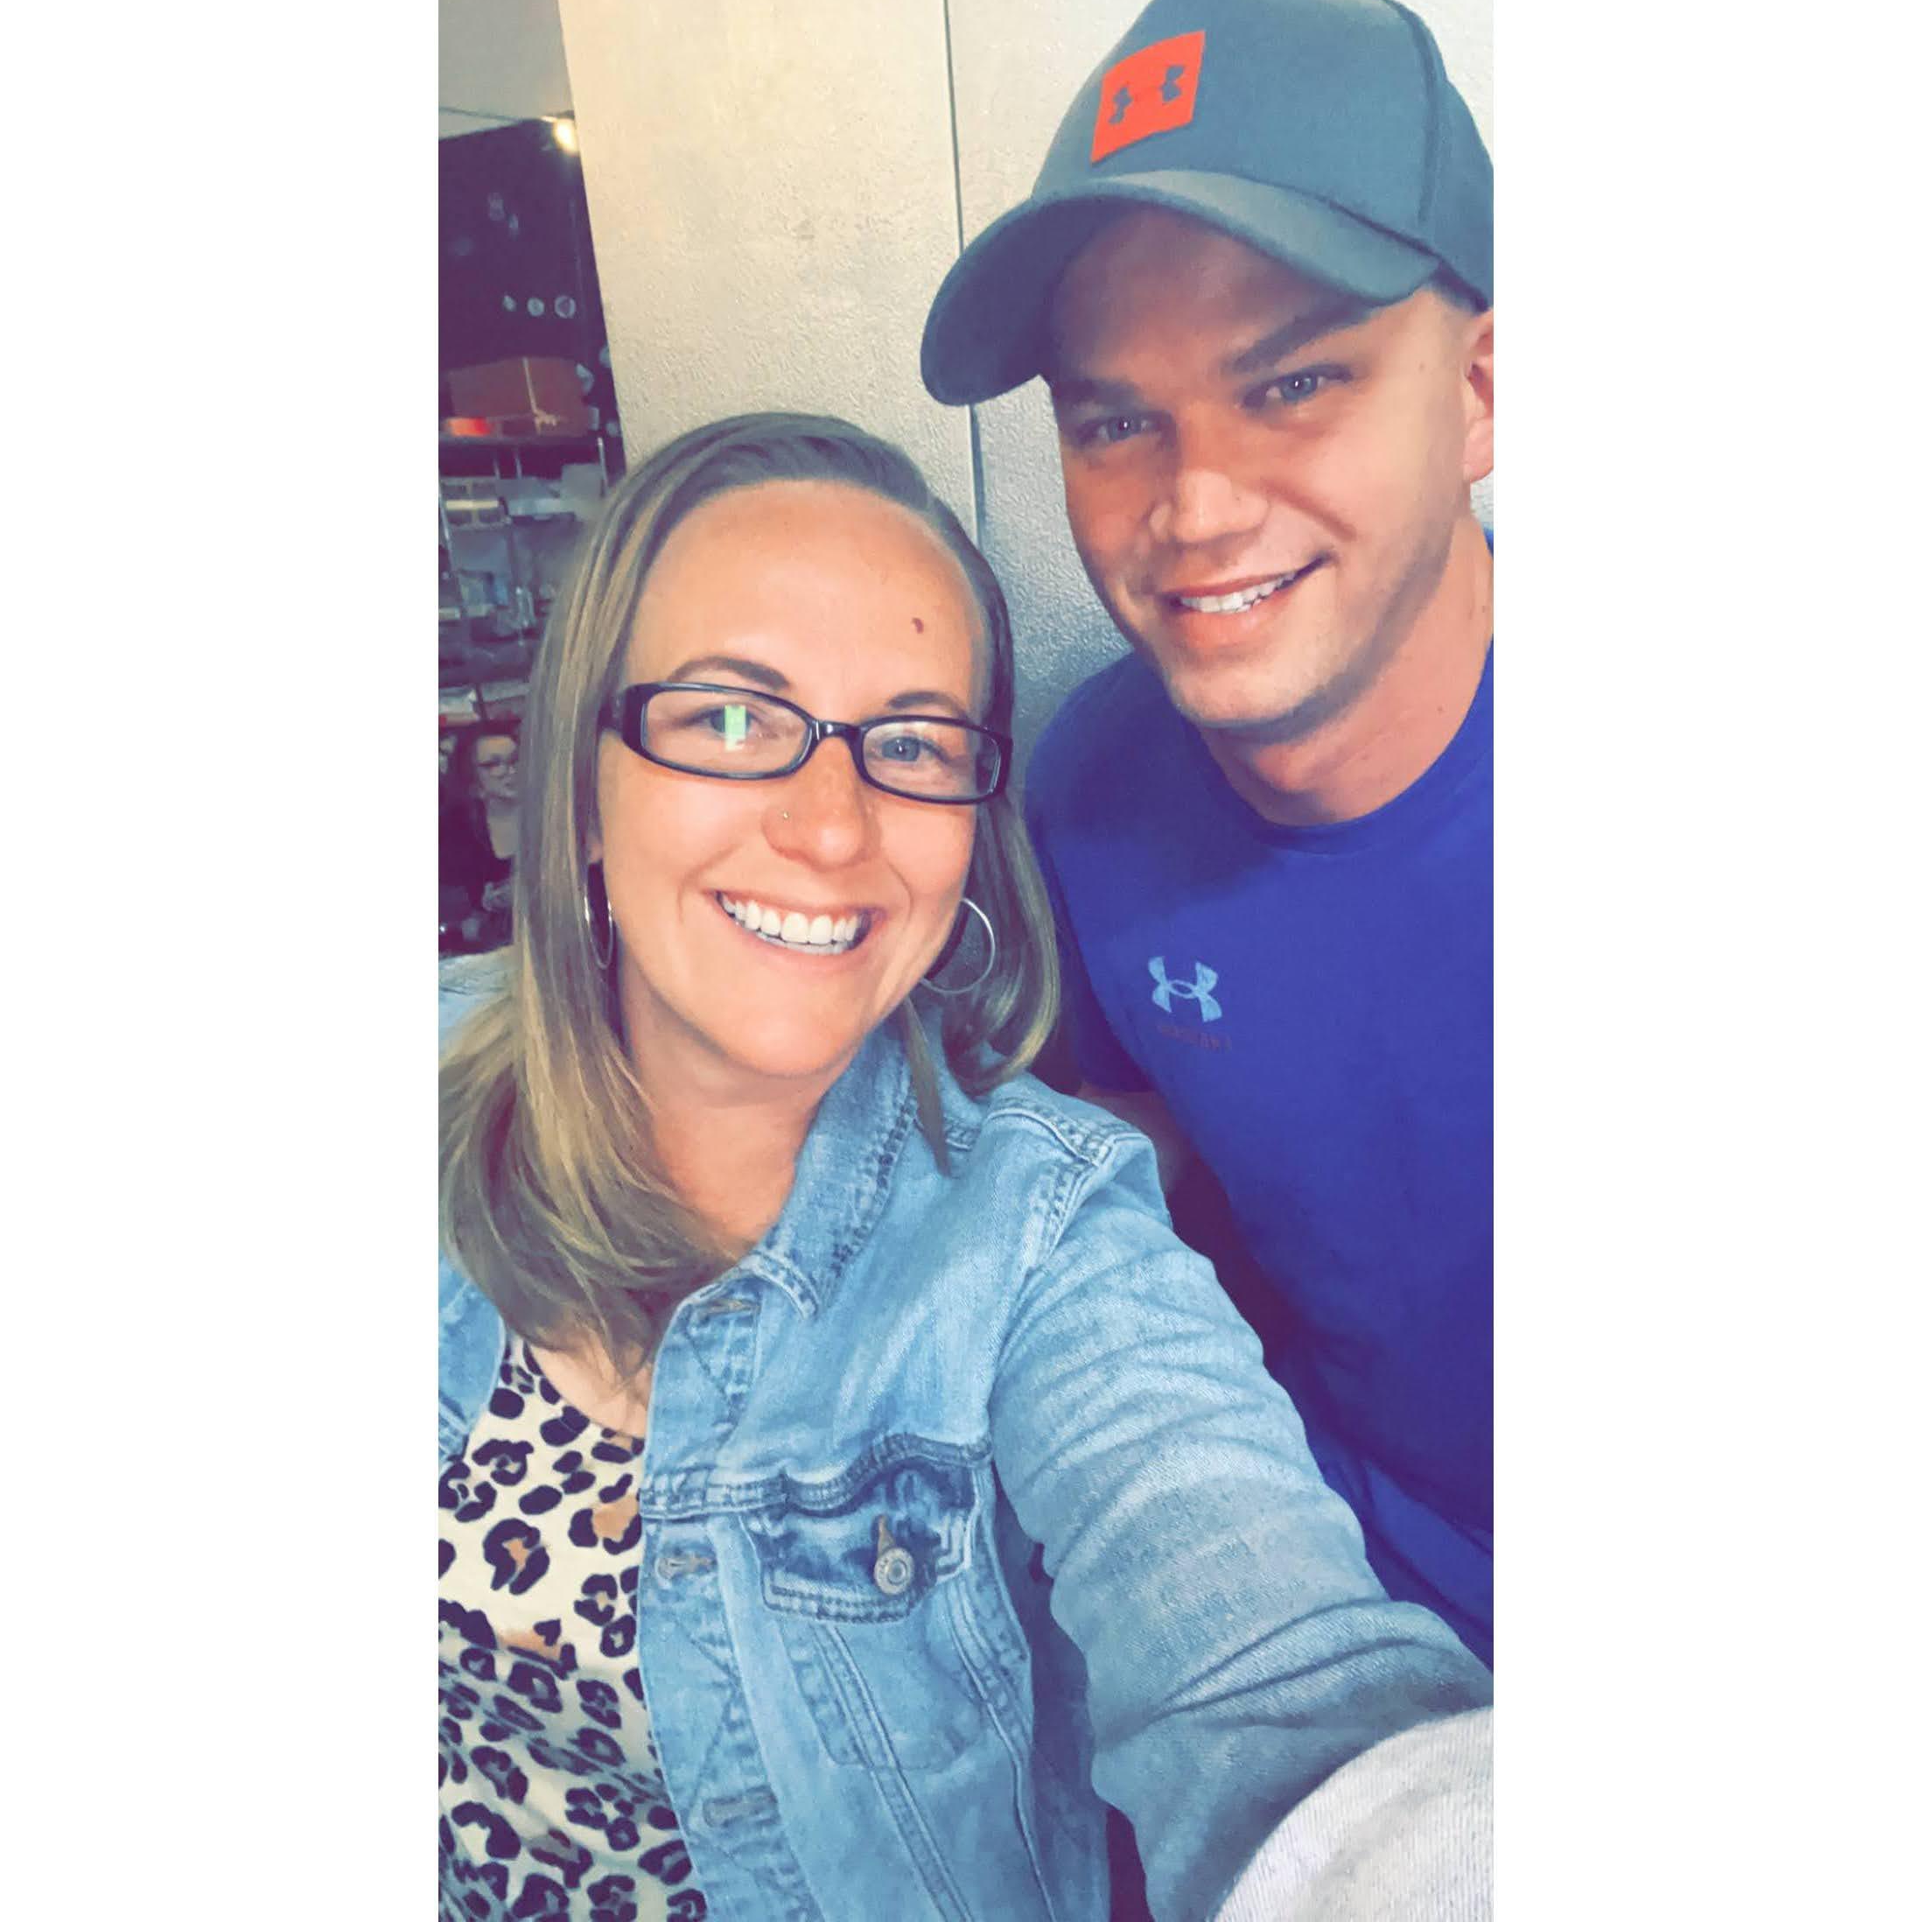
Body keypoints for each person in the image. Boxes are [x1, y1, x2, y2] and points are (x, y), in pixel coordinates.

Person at [438, 411, 1490, 1922]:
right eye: (729, 717)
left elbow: (1274, 1685)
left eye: (914, 743)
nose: (830, 827)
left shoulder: (1045, 1237)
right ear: (581, 784)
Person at [920, 0, 1495, 1664]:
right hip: (1326, 1603)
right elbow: (1124, 1169)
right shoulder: (1088, 783)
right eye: (1113, 419)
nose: (1195, 504)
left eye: (1291, 381)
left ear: (1478, 389)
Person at [440, 721, 522, 951]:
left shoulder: (553, 813)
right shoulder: (454, 828)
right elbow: (452, 909)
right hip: (493, 948)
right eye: (493, 765)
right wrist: (480, 906)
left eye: (515, 760)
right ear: (471, 776)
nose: (510, 771)